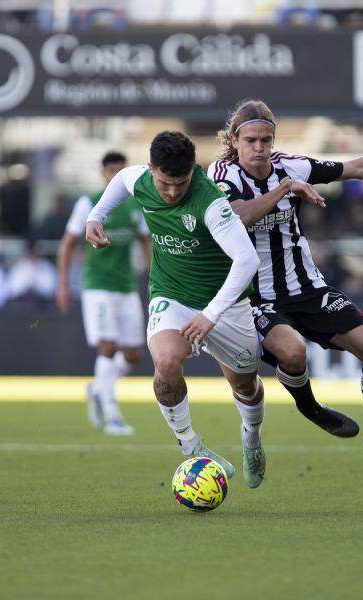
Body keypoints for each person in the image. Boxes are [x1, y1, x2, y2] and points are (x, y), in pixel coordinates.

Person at [208, 99, 363, 467]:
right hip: (256, 295)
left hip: (308, 287)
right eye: (251, 141)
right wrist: (287, 189)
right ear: (235, 140)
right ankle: (311, 408)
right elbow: (240, 216)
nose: (260, 148)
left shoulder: (289, 166)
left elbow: (357, 167)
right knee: (293, 353)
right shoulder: (222, 175)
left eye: (266, 140)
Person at [85, 131, 267, 488]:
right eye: (165, 183)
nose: (171, 192)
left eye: (180, 183)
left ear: (192, 173)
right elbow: (122, 180)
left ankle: (252, 439)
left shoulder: (210, 201)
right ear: (151, 169)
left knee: (245, 385)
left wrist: (211, 314)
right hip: (171, 293)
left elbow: (246, 261)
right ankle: (191, 445)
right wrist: (97, 216)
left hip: (225, 305)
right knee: (166, 364)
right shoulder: (139, 179)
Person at [57, 151, 151, 436]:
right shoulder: (89, 202)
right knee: (108, 346)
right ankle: (112, 414)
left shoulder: (137, 205)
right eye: (111, 170)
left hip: (126, 285)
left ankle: (98, 386)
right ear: (103, 173)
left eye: (120, 170)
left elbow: (147, 241)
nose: (115, 175)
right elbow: (68, 243)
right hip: (97, 285)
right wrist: (63, 284)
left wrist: (149, 270)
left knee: (133, 353)